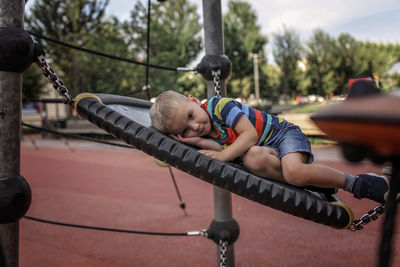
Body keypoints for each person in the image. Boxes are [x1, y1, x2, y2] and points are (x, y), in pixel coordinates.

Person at [150, 90, 389, 203]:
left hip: (283, 134)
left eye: (191, 116)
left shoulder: (217, 106)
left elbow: (249, 135)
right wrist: (196, 142)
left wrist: (221, 157)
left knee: (292, 171)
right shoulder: (204, 131)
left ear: (194, 101)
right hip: (263, 150)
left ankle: (358, 183)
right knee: (252, 160)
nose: (195, 127)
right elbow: (225, 145)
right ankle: (313, 181)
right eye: (185, 130)